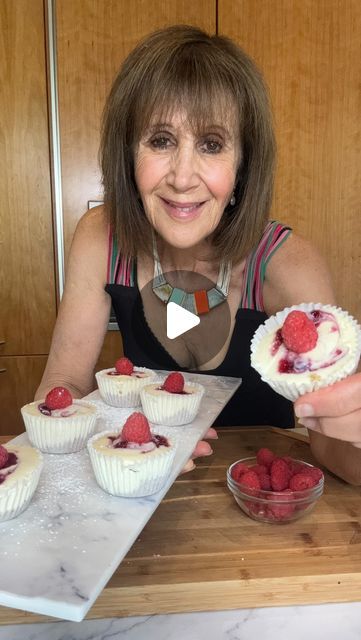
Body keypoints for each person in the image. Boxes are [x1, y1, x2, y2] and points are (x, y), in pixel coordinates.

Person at [36, 25, 361, 484]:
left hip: (260, 503)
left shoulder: (288, 265)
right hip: (139, 485)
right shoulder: (100, 238)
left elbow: (331, 442)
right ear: (128, 154)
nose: (183, 176)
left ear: (243, 165)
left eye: (211, 144)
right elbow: (64, 383)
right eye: (161, 140)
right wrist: (124, 439)